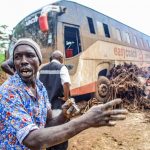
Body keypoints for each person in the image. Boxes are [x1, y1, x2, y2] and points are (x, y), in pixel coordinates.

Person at [0, 38, 128, 149]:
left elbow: (47, 124)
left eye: (29, 55)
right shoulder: (8, 91)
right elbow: (32, 140)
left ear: (39, 61)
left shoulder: (40, 88)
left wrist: (63, 115)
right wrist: (86, 120)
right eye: (17, 57)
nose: (23, 61)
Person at [39, 50, 71, 150]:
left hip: (45, 109)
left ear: (51, 58)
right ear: (61, 59)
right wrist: (66, 98)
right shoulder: (62, 68)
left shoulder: (42, 69)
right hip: (57, 107)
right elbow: (66, 83)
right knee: (60, 131)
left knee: (48, 132)